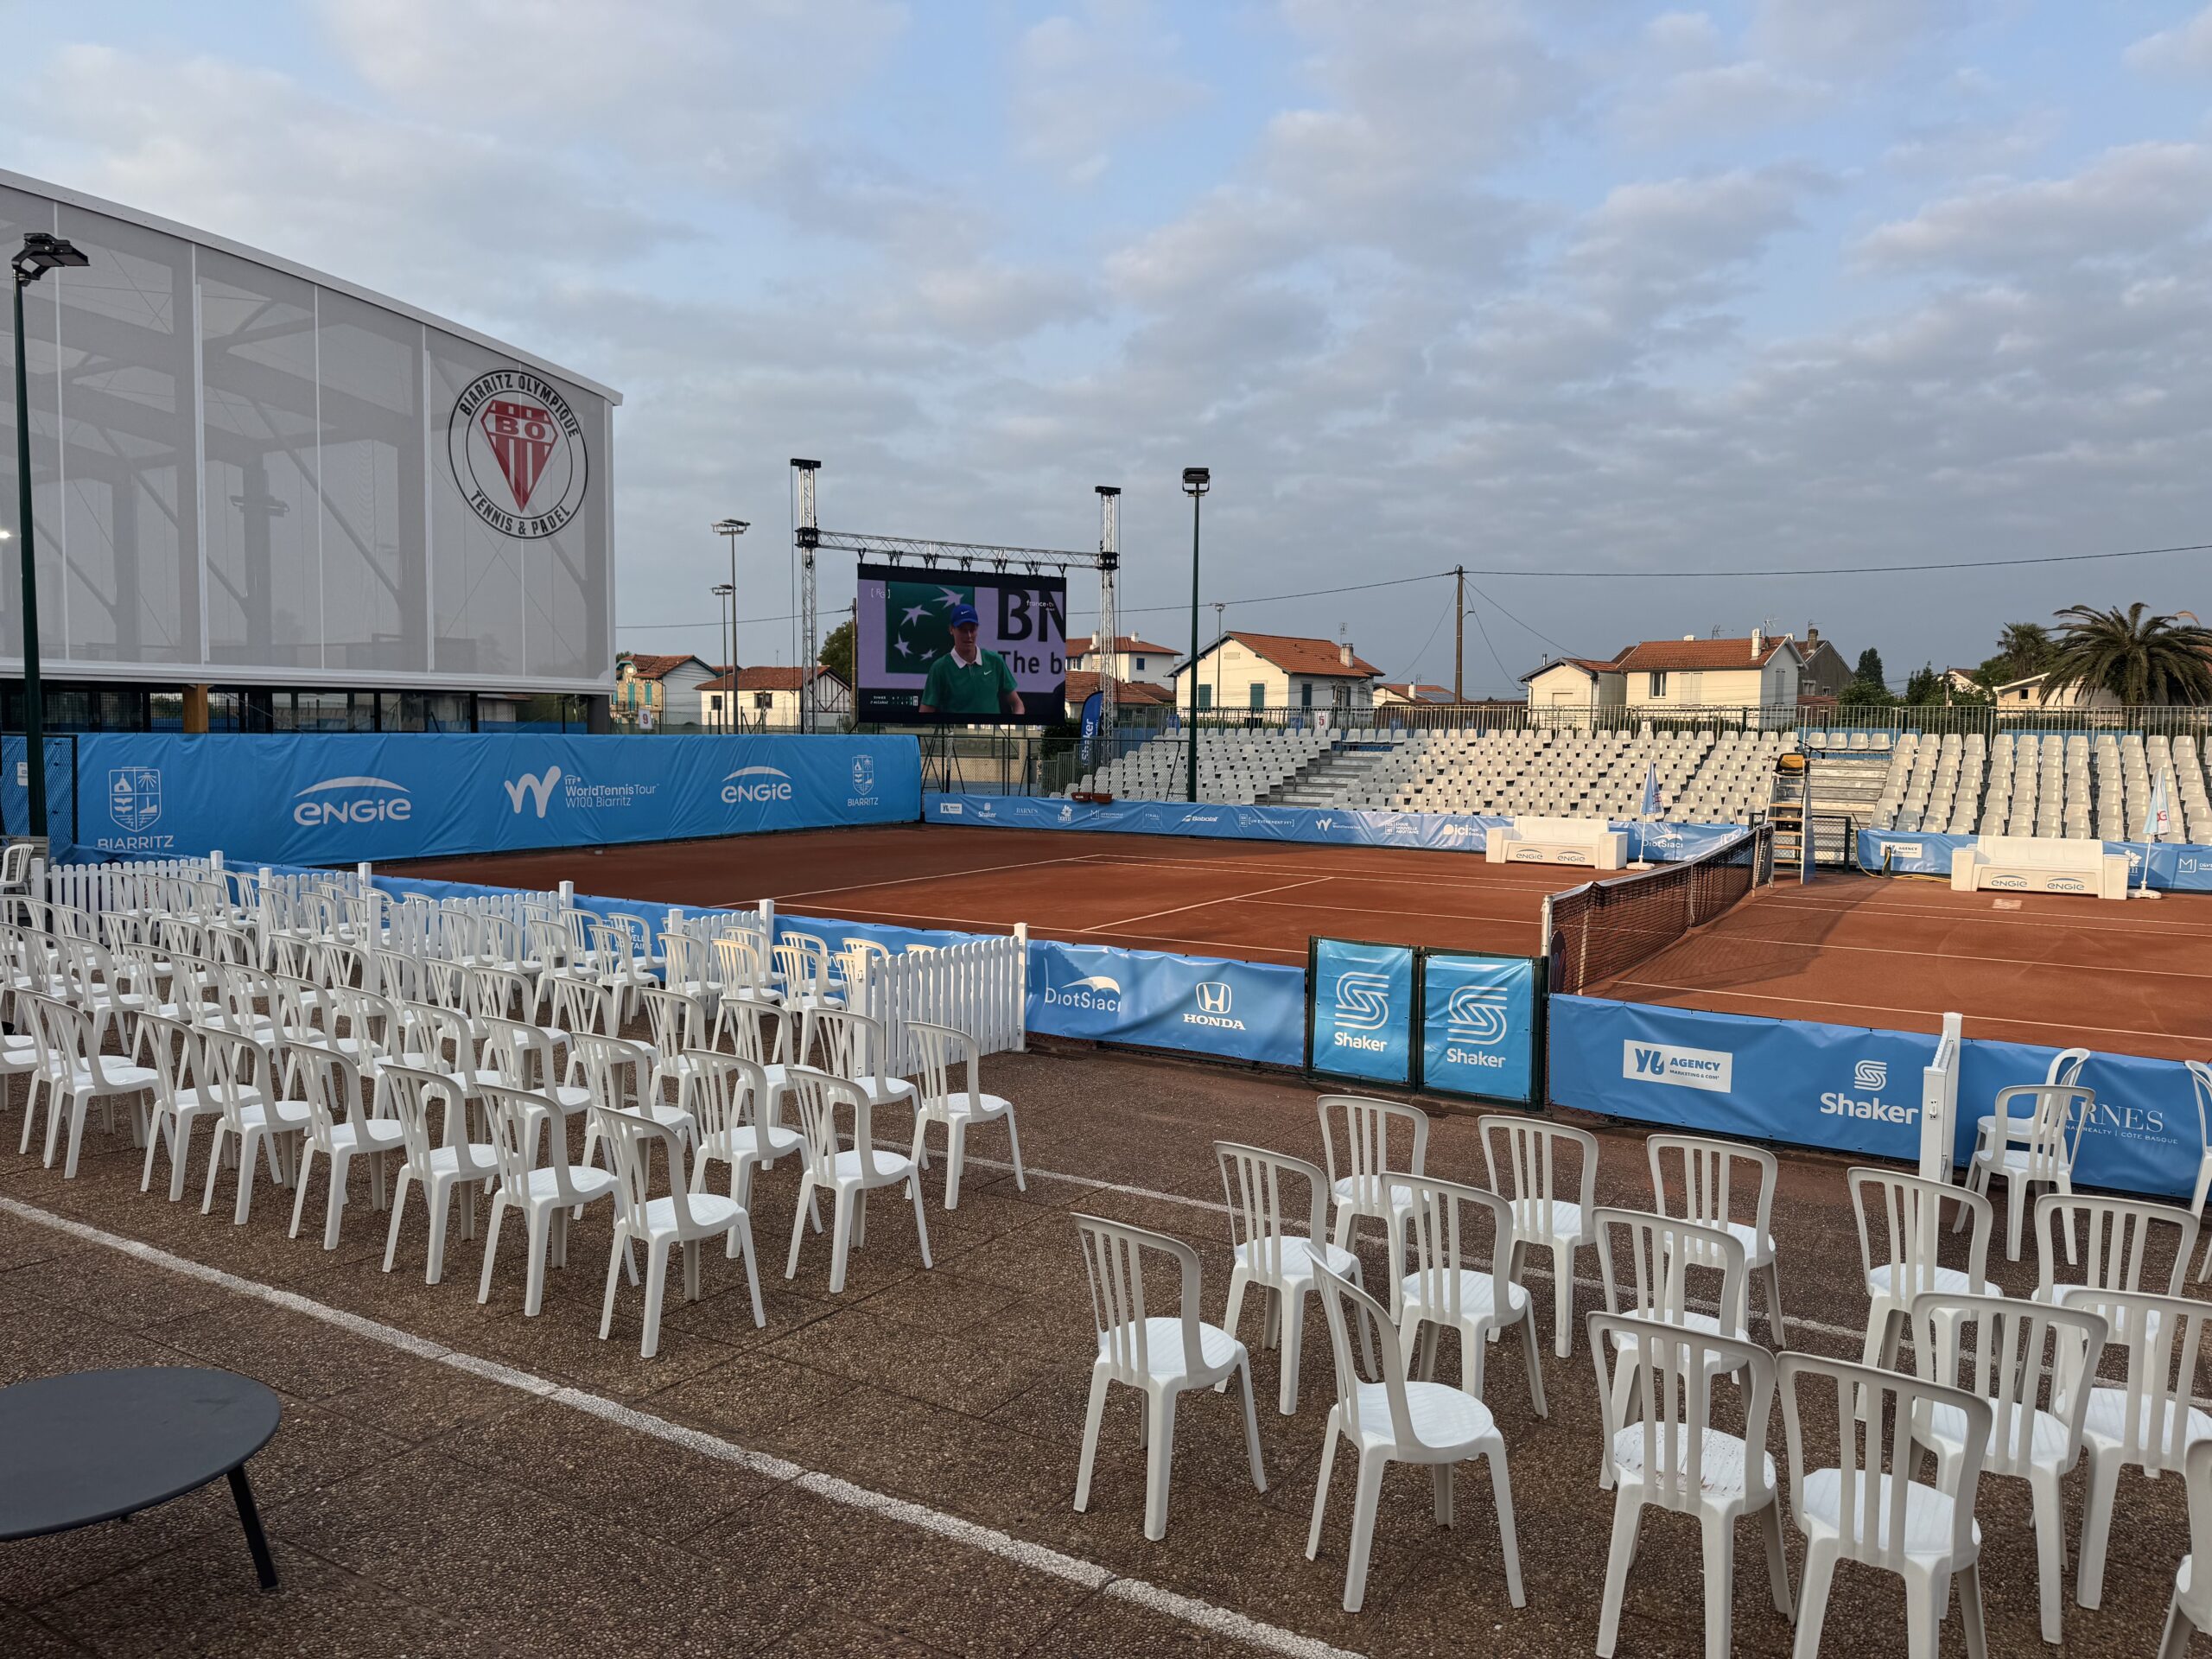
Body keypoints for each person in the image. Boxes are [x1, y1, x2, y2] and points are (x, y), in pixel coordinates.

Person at [918, 602, 1024, 717]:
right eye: (963, 630)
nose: (969, 636)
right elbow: (925, 712)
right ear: (951, 629)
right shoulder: (940, 668)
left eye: (972, 630)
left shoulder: (995, 661)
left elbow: (1017, 704)